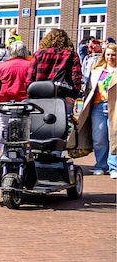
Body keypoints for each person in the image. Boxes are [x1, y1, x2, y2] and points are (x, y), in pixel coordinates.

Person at [74, 43, 117, 178]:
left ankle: (113, 167)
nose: (110, 57)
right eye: (108, 54)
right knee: (99, 138)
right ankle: (100, 165)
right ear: (104, 55)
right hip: (98, 107)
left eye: (113, 54)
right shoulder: (97, 70)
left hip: (115, 106)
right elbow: (88, 90)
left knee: (114, 138)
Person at [0, 41, 34, 163]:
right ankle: (27, 152)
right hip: (26, 101)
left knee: (2, 125)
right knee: (27, 127)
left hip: (4, 101)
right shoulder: (31, 65)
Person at [32, 28, 84, 104]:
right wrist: (73, 95)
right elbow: (76, 78)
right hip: (63, 95)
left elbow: (30, 76)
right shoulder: (72, 55)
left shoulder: (39, 54)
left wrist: (31, 92)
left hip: (40, 94)